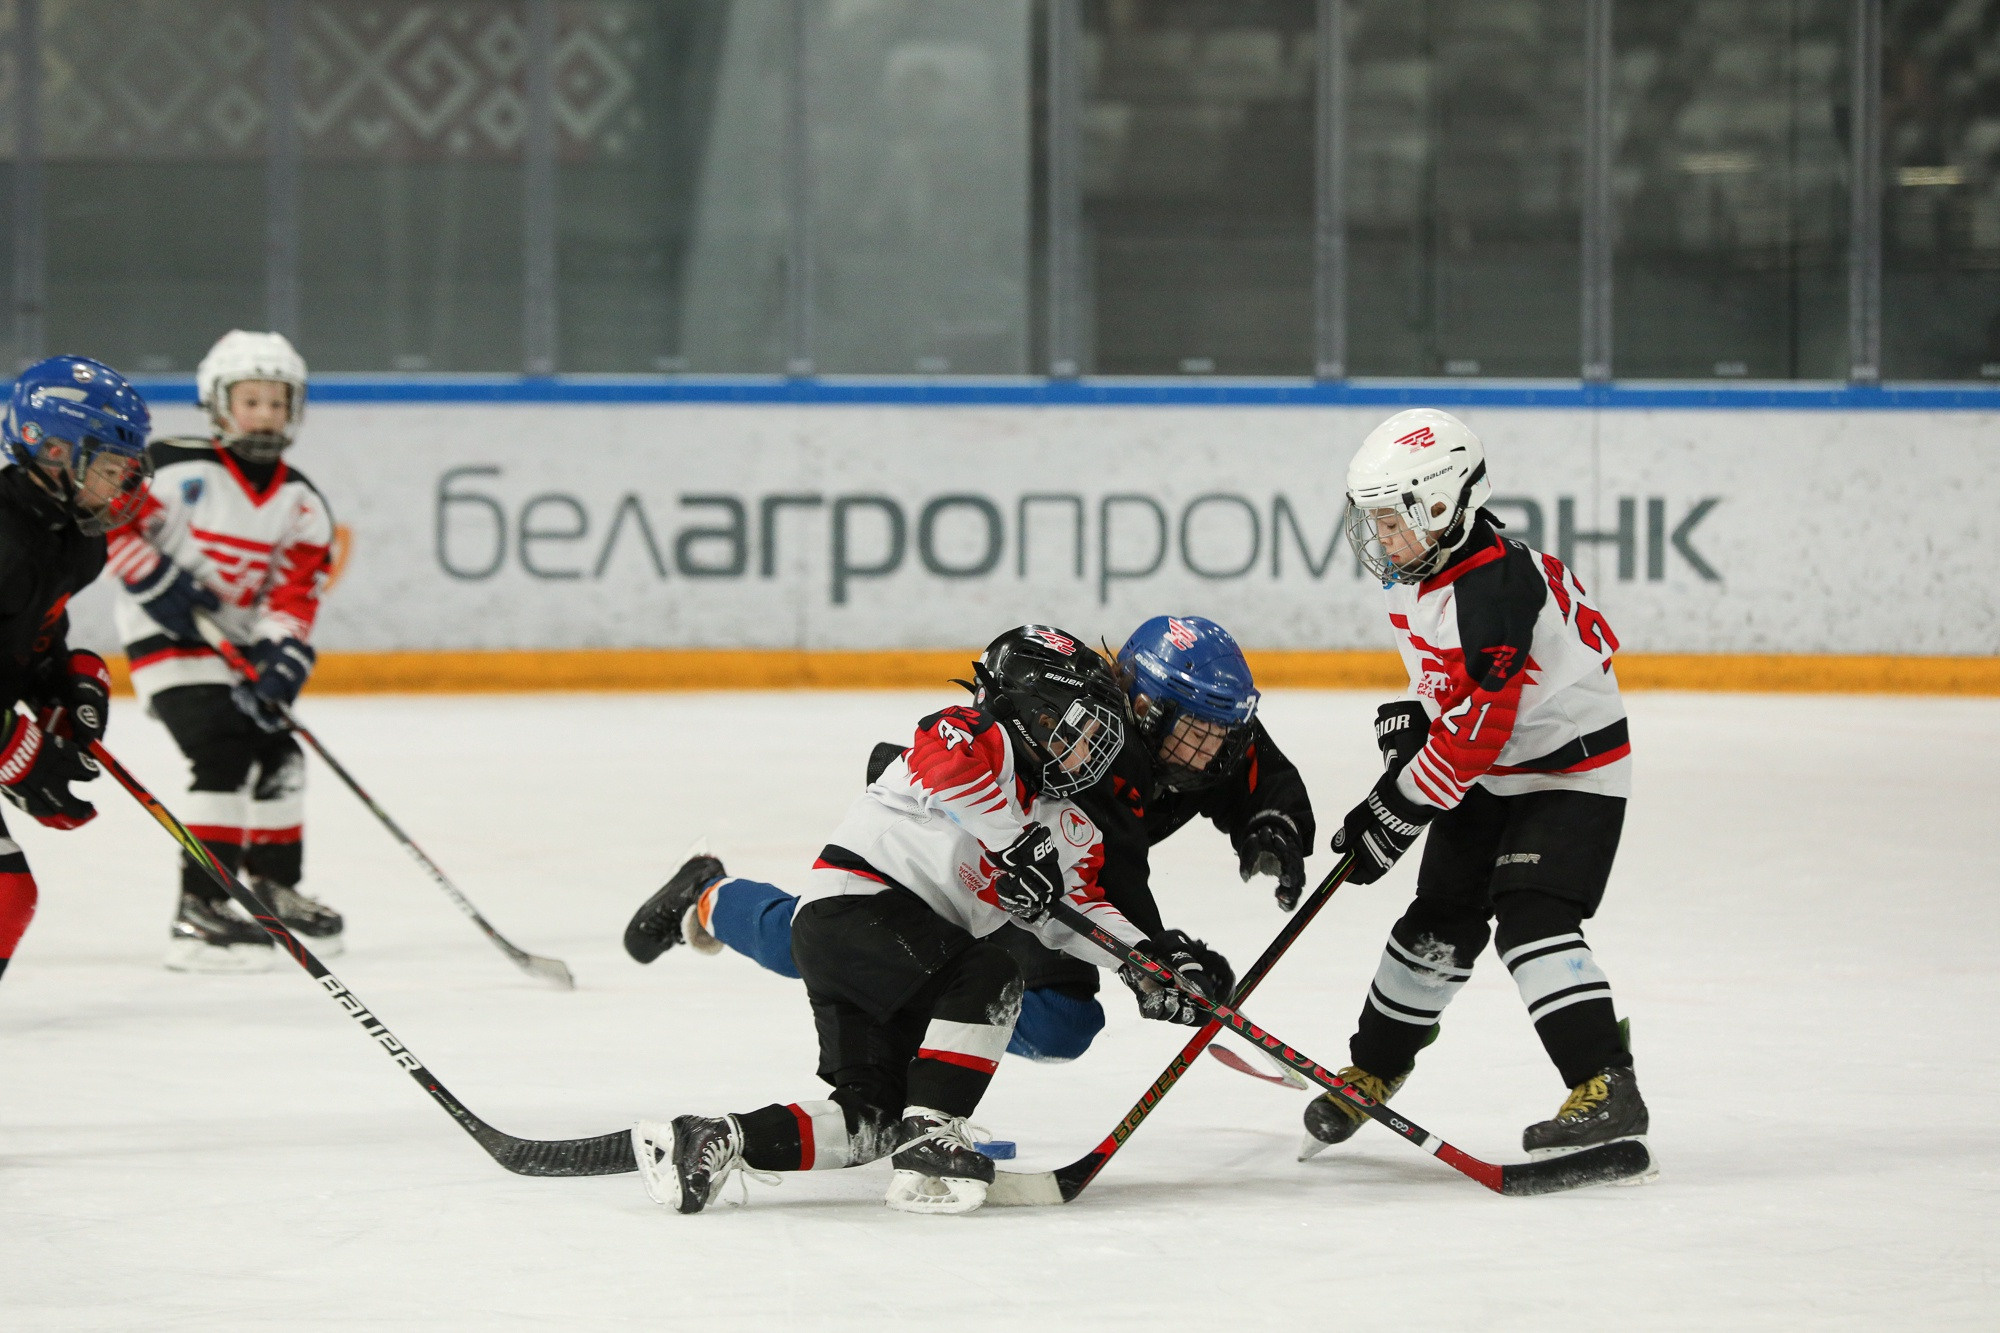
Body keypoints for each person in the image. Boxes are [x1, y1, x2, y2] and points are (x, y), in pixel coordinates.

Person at [631, 626, 1229, 1217]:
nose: (1084, 749)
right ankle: (934, 1134)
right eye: (1069, 729)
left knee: (869, 1120)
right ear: (1024, 711)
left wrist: (1147, 962)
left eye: (1094, 735)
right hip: (853, 912)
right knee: (992, 973)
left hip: (900, 956)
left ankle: (715, 1138)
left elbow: (1077, 912)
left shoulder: (1069, 824)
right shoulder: (972, 735)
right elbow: (951, 771)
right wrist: (1015, 844)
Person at [622, 615, 1314, 1063]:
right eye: (1197, 733)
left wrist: (1274, 820)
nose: (1211, 753)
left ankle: (925, 1047)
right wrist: (1157, 959)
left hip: (1038, 870)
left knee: (1063, 1025)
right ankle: (712, 896)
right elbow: (1111, 879)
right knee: (824, 948)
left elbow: (1249, 763)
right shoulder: (1091, 750)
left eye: (1217, 732)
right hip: (970, 849)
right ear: (1142, 706)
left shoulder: (1183, 734)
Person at [1303, 407, 1649, 1165]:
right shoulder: (1423, 569)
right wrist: (1413, 723)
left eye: (1393, 521)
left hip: (1571, 772)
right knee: (1437, 919)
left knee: (1531, 917)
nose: (1381, 540)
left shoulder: (1494, 590)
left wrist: (1394, 805)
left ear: (1439, 504)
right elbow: (1451, 696)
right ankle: (1374, 1067)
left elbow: (1475, 735)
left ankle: (1605, 1083)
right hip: (1496, 771)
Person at [105, 331, 340, 971]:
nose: (265, 414)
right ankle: (201, 908)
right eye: (251, 401)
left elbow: (294, 595)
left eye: (277, 402)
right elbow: (111, 522)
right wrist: (157, 583)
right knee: (222, 747)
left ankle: (272, 891)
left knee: (281, 755)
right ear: (217, 405)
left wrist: (280, 658)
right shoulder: (172, 464)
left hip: (235, 646)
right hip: (167, 643)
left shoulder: (301, 501)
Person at [0, 356, 152, 988]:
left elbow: (27, 636)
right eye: (110, 465)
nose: (123, 482)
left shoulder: (78, 538)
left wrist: (66, 679)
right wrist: (17, 750)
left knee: (6, 894)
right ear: (54, 450)